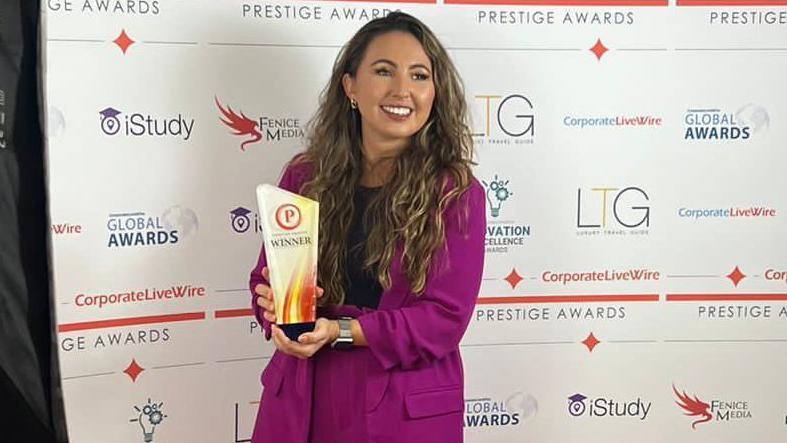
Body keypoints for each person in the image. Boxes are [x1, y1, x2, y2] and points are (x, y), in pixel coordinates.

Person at [249, 12, 485, 443]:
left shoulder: (456, 193)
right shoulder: (304, 178)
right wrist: (275, 314)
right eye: (383, 71)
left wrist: (341, 331)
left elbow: (444, 318)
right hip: (303, 401)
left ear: (435, 92)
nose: (402, 90)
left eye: (419, 75)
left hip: (400, 409)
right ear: (350, 87)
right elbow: (267, 277)